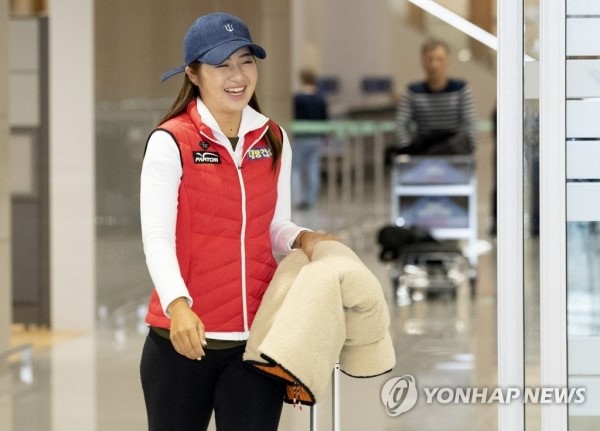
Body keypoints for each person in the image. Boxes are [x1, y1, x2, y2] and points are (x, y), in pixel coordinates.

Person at [138, 13, 337, 431]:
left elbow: (273, 226)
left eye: (246, 61)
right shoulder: (171, 141)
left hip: (255, 344)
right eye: (222, 64)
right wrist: (178, 305)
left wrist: (304, 238)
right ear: (193, 74)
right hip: (182, 340)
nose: (238, 75)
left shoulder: (273, 137)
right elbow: (157, 238)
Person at [394, 39, 477, 156]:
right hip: (423, 152)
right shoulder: (413, 91)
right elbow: (401, 123)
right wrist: (407, 150)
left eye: (439, 59)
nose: (435, 65)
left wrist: (467, 149)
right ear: (423, 61)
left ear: (448, 60)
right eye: (430, 60)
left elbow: (470, 122)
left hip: (453, 151)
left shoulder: (460, 89)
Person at [291, 68, 329, 210]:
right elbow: (324, 117)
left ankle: (297, 197)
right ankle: (310, 198)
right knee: (313, 168)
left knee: (296, 169)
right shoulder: (320, 98)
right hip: (316, 137)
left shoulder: (298, 98)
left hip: (301, 136)